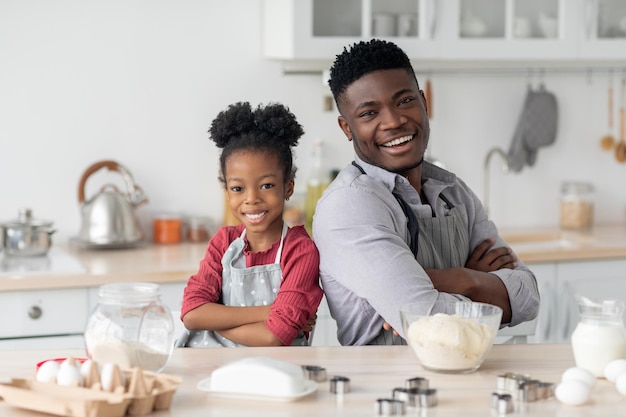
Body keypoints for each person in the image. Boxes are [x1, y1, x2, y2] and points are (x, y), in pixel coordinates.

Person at [313, 39, 540, 346]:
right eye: (369, 113)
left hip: (468, 377)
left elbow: (528, 296)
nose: (393, 121)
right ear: (347, 128)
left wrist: (451, 280)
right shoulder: (348, 206)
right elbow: (427, 321)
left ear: (423, 102)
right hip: (386, 389)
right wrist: (476, 283)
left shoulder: (454, 192)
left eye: (404, 101)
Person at [179, 101, 323, 347]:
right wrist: (270, 311)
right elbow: (192, 313)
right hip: (213, 368)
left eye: (266, 185)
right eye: (238, 188)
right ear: (227, 191)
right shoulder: (224, 241)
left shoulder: (300, 251)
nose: (252, 198)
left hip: (275, 375)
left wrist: (214, 322)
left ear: (288, 187)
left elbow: (273, 337)